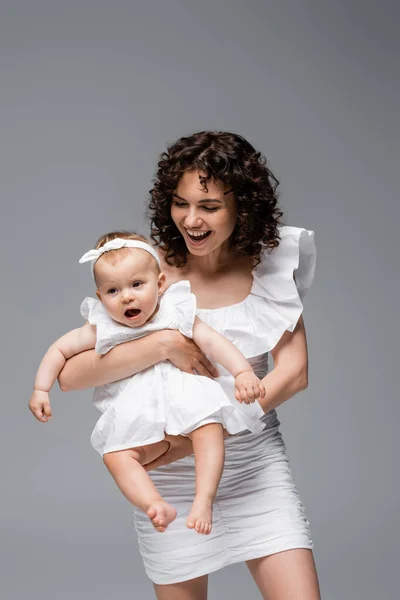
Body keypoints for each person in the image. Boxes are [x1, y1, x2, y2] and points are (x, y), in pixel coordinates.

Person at [58, 131, 321, 599]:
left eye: (210, 207)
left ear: (244, 206)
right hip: (168, 484)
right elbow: (70, 374)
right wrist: (162, 345)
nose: (191, 220)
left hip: (253, 467)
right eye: (181, 204)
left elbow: (294, 373)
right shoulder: (149, 272)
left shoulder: (271, 269)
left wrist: (198, 435)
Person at [29, 230, 266, 535]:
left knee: (209, 429)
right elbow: (60, 349)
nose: (127, 296)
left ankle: (203, 499)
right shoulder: (103, 325)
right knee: (116, 455)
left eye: (137, 284)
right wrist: (40, 388)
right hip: (141, 413)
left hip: (187, 399)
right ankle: (153, 503)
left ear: (160, 284)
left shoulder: (174, 311)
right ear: (101, 298)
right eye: (113, 291)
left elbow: (213, 342)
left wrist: (243, 372)